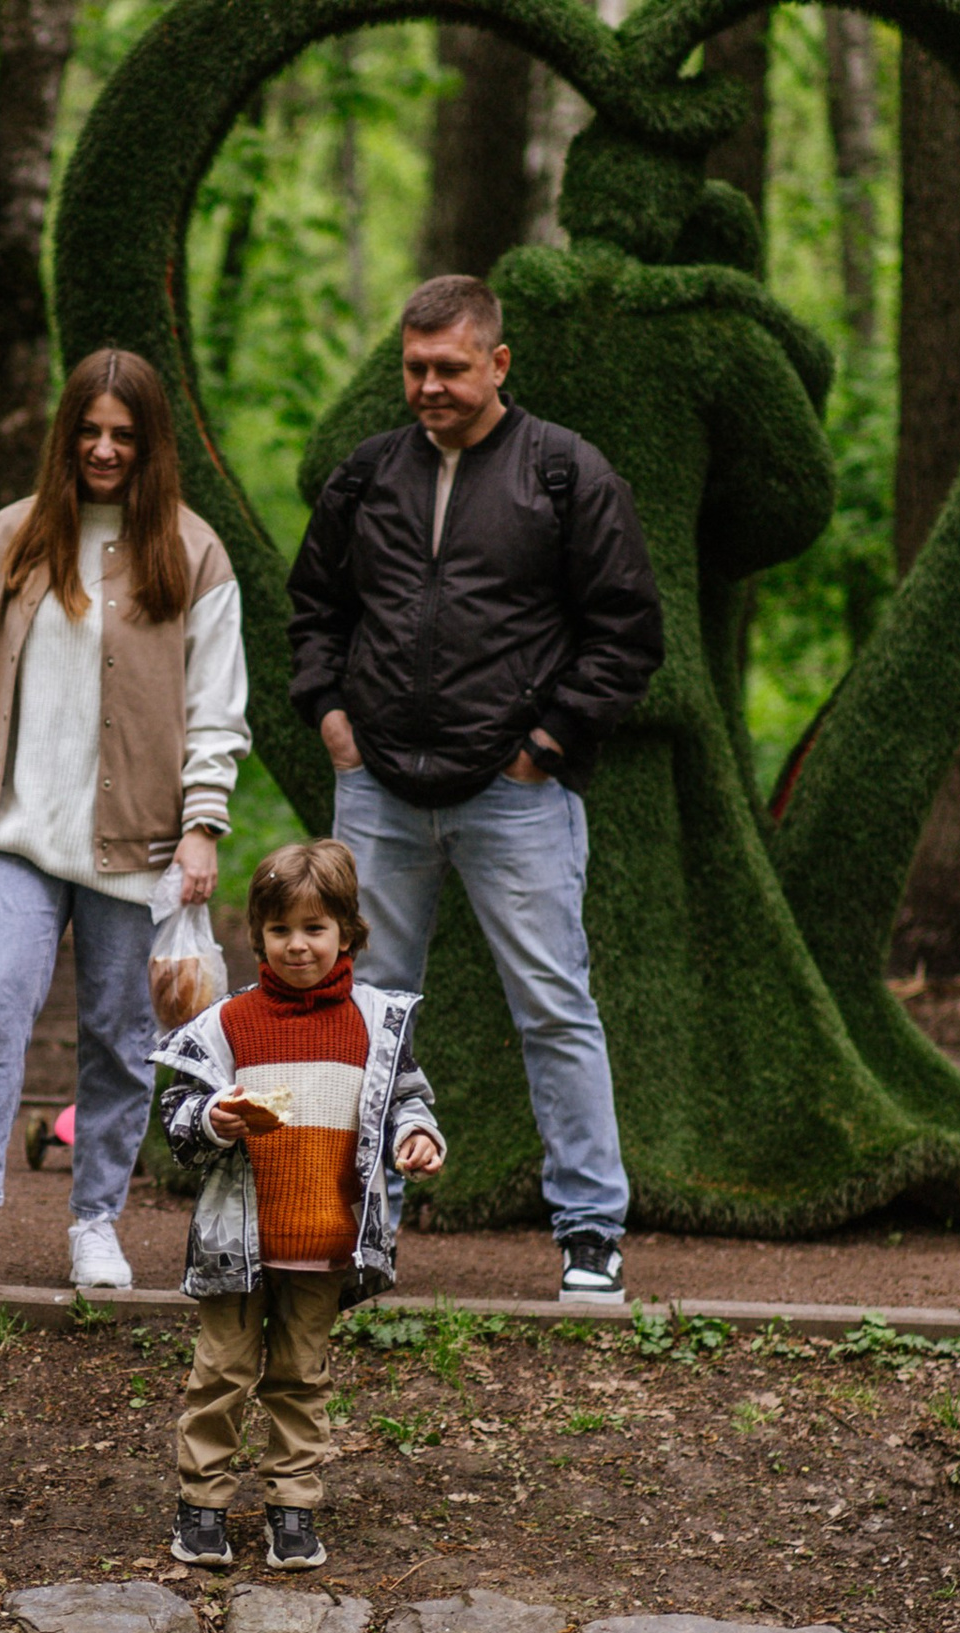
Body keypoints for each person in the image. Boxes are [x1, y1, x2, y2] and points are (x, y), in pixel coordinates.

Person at [288, 271, 663, 1304]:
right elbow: (312, 610)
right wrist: (330, 718)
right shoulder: (366, 477)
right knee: (362, 1011)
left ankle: (590, 1233)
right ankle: (365, 1224)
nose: (428, 386)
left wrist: (540, 746)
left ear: (497, 363)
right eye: (414, 366)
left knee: (552, 1004)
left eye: (449, 367)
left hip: (515, 797)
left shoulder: (564, 475)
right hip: (378, 793)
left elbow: (627, 633)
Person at [0, 345, 251, 1292]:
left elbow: (219, 704)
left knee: (120, 1035)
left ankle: (96, 1219)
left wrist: (203, 823)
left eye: (123, 436)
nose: (103, 450)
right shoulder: (7, 540)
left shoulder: (193, 550)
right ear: (66, 435)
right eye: (89, 432)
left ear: (150, 445)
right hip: (12, 834)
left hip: (136, 844)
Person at [154, 839, 440, 1571]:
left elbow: (405, 1099)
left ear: (349, 932)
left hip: (327, 1236)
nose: (298, 945)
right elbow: (179, 1114)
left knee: (301, 1377)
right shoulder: (229, 1023)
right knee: (219, 1374)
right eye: (280, 930)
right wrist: (217, 1119)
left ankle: (293, 1506)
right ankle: (203, 1505)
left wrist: (416, 1136)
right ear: (259, 936)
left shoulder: (376, 1023)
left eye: (314, 929)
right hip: (238, 1240)